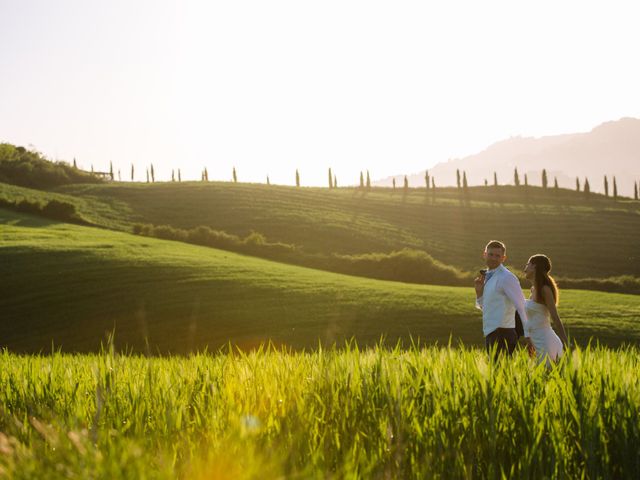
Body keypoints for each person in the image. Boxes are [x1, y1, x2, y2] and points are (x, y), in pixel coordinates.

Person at [474, 240, 530, 358]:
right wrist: (479, 294)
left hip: (504, 334)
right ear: (484, 254)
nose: (493, 258)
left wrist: (529, 335)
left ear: (503, 258)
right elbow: (488, 308)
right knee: (495, 373)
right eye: (491, 254)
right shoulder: (488, 277)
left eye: (497, 256)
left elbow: (521, 306)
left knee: (499, 373)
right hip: (491, 333)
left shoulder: (507, 278)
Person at [523, 254, 568, 366]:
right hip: (536, 341)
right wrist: (529, 341)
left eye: (527, 264)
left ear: (534, 266)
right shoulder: (533, 289)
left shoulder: (545, 289)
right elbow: (530, 320)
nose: (525, 268)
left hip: (546, 342)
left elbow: (555, 317)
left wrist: (566, 342)